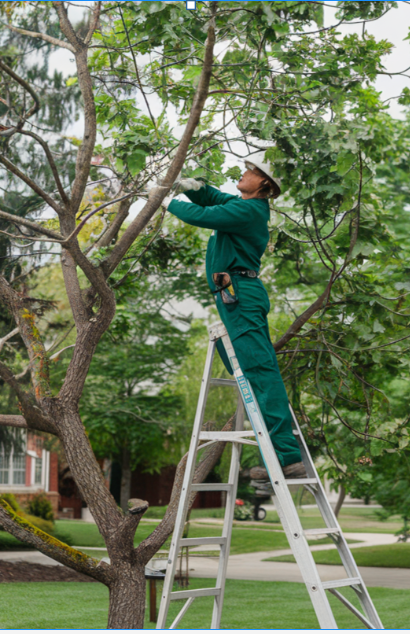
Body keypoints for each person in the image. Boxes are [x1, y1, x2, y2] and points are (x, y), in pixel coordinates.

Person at [161, 151, 306, 480]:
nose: (244, 171)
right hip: (234, 296)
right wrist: (193, 187)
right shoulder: (245, 205)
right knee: (247, 373)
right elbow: (213, 197)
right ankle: (277, 460)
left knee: (259, 371)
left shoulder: (248, 210)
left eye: (250, 170)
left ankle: (286, 457)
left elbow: (201, 215)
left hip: (240, 295)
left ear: (263, 183)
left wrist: (167, 202)